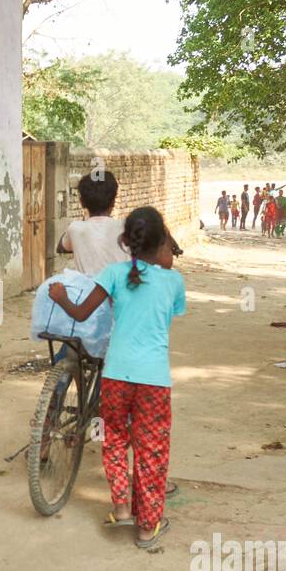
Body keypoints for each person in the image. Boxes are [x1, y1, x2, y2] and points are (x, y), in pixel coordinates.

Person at [46, 207, 186, 549]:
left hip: (116, 376)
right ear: (162, 243)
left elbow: (82, 312)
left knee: (113, 440)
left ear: (126, 241)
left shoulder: (112, 274)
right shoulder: (173, 282)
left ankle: (122, 509)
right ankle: (146, 527)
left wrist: (61, 296)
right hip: (153, 379)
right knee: (151, 450)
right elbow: (171, 309)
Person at [56, 171, 128, 277]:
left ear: (81, 202)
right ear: (113, 201)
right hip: (118, 291)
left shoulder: (75, 229)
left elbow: (61, 247)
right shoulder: (125, 227)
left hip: (87, 292)